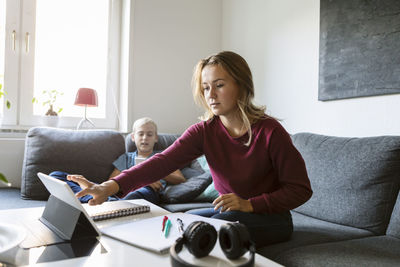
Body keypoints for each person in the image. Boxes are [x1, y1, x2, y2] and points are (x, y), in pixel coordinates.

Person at [69, 51, 312, 247]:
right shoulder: (204, 131)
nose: (211, 95)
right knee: (178, 222)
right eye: (206, 87)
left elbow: (300, 189)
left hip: (271, 219)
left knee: (213, 226)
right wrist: (107, 187)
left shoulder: (269, 131)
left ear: (241, 85)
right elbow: (161, 162)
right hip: (229, 212)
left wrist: (250, 205)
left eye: (219, 85)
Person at [51, 117, 185, 204]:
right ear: (133, 137)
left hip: (147, 191)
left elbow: (180, 179)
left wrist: (150, 175)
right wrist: (134, 176)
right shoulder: (126, 158)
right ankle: (102, 199)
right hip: (119, 192)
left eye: (149, 135)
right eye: (141, 134)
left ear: (156, 138)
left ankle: (101, 201)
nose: (145, 138)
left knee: (141, 192)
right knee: (55, 176)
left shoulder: (163, 157)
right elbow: (111, 181)